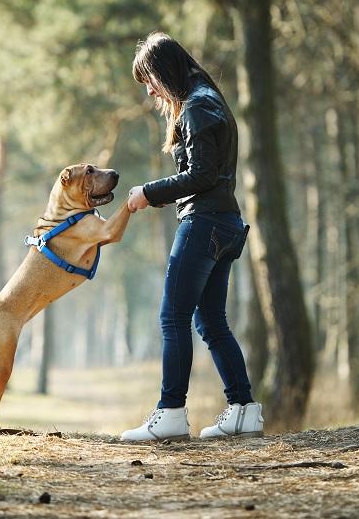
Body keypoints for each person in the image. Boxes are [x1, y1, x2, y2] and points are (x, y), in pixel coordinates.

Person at [121, 31, 263, 442]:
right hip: (224, 223)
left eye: (149, 80)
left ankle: (169, 413)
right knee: (211, 321)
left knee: (174, 317)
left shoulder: (198, 106)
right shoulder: (206, 100)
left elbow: (201, 175)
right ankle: (244, 410)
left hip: (204, 224)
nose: (149, 91)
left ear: (164, 71)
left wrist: (149, 192)